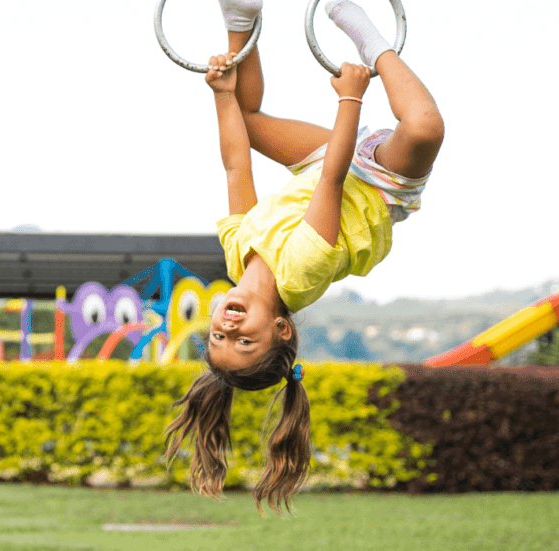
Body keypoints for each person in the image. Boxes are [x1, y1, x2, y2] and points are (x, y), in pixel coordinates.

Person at [166, 0, 444, 514]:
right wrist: (351, 99)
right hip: (377, 187)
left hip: (322, 165)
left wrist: (223, 97)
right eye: (244, 339)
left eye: (219, 337)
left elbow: (234, 167)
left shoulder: (236, 254)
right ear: (281, 328)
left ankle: (239, 19)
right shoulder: (300, 274)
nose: (227, 326)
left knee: (248, 120)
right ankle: (369, 38)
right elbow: (335, 183)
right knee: (425, 127)